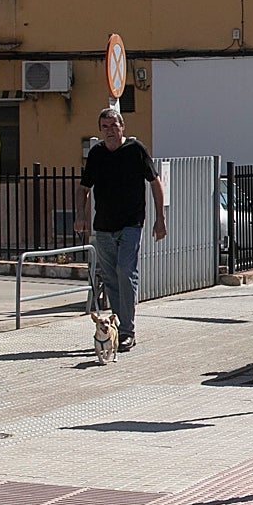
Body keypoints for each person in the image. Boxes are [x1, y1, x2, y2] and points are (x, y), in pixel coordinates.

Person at [74, 108, 167, 352]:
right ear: (100, 130)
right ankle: (116, 328)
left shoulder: (136, 150)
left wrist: (160, 218)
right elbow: (84, 187)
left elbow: (155, 183)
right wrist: (79, 216)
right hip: (103, 226)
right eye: (105, 127)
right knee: (111, 278)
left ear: (122, 127)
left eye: (114, 125)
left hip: (131, 223)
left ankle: (128, 330)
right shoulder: (96, 154)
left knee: (126, 271)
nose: (110, 131)